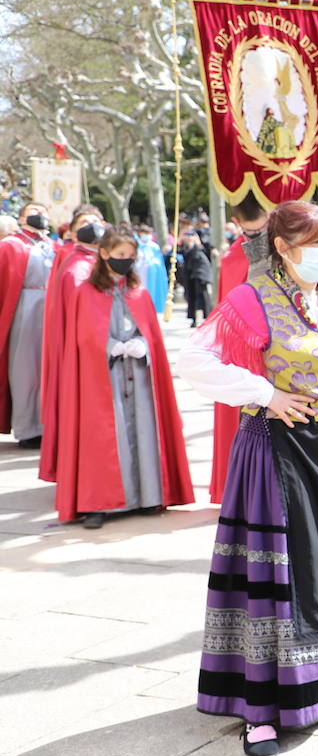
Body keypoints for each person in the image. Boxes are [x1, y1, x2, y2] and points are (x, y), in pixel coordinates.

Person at [179, 200, 318, 756]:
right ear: (284, 248)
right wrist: (265, 394)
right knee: (282, 577)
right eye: (316, 243)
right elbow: (195, 359)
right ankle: (262, 710)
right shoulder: (250, 298)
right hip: (276, 455)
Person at [54, 226, 193, 528]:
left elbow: (151, 334)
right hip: (101, 377)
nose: (126, 261)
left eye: (130, 256)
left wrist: (143, 344)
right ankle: (97, 502)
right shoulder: (85, 292)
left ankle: (146, 495)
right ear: (103, 254)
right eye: (120, 255)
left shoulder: (138, 292)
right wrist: (108, 345)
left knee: (144, 428)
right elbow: (82, 337)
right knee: (100, 434)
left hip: (139, 376)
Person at [209, 194, 274, 504]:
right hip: (245, 351)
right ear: (237, 225)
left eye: (261, 230)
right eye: (250, 232)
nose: (255, 238)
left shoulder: (285, 248)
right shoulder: (232, 258)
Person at [39, 206, 104, 483]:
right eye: (84, 222)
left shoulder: (112, 258)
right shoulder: (73, 263)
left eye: (95, 221)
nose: (91, 226)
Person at [0, 203, 54, 448]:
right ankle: (27, 429)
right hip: (24, 308)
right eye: (33, 211)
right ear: (21, 218)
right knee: (24, 371)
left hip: (51, 310)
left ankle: (49, 425)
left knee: (48, 370)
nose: (39, 216)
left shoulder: (52, 245)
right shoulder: (10, 245)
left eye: (43, 212)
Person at [179, 228, 211, 327]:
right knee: (191, 297)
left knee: (203, 296)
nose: (189, 238)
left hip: (199, 274)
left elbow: (204, 253)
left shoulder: (200, 246)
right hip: (189, 275)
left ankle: (207, 317)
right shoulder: (185, 248)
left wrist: (197, 242)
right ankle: (193, 318)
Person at [134, 226, 170, 315]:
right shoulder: (137, 246)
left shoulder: (154, 246)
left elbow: (158, 260)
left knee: (151, 291)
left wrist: (152, 264)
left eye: (148, 234)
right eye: (144, 233)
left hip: (152, 272)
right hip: (140, 272)